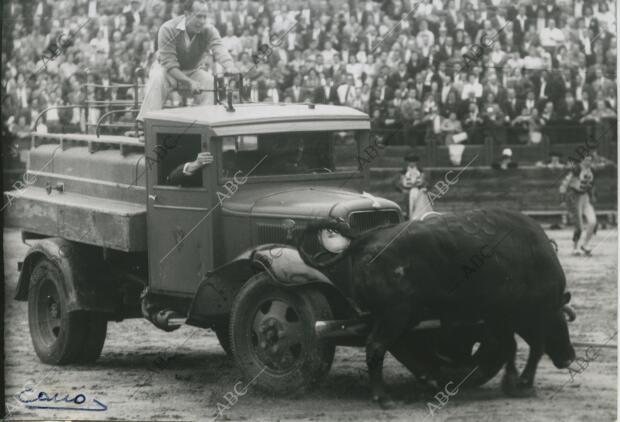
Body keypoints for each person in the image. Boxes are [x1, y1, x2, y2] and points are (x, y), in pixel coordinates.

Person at [136, 0, 237, 126]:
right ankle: (146, 124)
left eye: (205, 17)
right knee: (156, 79)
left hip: (192, 70)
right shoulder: (168, 28)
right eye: (198, 16)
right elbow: (170, 65)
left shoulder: (209, 30)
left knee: (209, 81)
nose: (202, 21)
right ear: (187, 14)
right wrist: (189, 82)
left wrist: (229, 65)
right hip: (166, 71)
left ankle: (206, 125)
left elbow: (218, 48)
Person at [559, 156, 597, 255]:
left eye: (590, 160)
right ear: (582, 160)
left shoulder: (591, 170)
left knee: (592, 222)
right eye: (586, 159)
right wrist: (562, 199)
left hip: (585, 198)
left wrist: (592, 196)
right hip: (574, 198)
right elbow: (564, 185)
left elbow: (591, 185)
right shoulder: (576, 169)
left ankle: (585, 245)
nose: (588, 162)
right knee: (579, 226)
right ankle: (574, 248)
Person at [395, 154, 432, 221]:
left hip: (419, 191)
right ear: (407, 162)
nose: (412, 163)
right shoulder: (403, 172)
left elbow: (427, 182)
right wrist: (402, 190)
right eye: (410, 161)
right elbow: (397, 183)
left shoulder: (421, 172)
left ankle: (418, 218)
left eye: (413, 161)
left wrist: (425, 188)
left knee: (419, 206)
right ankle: (408, 217)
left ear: (417, 162)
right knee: (408, 206)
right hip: (407, 192)